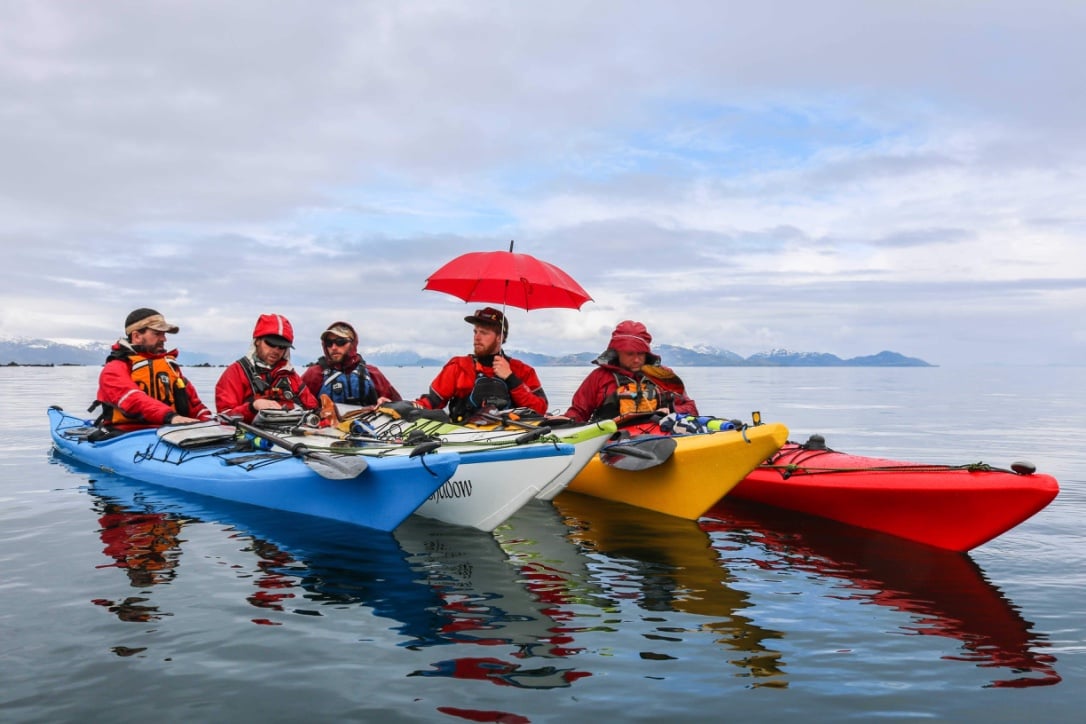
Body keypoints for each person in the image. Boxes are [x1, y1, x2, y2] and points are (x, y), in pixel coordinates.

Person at [415, 306, 548, 423]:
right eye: (475, 332)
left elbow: (540, 409)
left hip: (508, 436)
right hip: (463, 435)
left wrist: (511, 378)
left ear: (499, 338)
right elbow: (431, 402)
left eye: (484, 333)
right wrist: (411, 408)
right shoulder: (458, 366)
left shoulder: (522, 370)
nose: (477, 337)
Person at [92, 307, 212, 430]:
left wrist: (209, 423)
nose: (164, 339)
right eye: (157, 333)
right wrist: (171, 417)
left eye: (164, 334)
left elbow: (195, 406)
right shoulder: (114, 369)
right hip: (127, 434)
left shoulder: (170, 368)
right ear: (137, 336)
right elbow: (134, 400)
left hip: (169, 431)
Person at [560, 320, 698, 423]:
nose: (637, 360)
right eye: (630, 354)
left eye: (641, 354)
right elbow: (579, 412)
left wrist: (673, 411)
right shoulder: (598, 377)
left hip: (660, 437)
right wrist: (563, 421)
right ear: (617, 353)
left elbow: (690, 407)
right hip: (611, 442)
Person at [215, 313, 318, 423]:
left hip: (289, 436)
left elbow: (314, 409)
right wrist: (252, 407)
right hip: (249, 436)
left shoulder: (290, 375)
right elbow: (224, 417)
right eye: (271, 343)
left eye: (282, 346)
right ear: (257, 341)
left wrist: (323, 416)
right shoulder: (235, 372)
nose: (276, 350)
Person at [301, 321, 402, 406]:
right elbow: (297, 407)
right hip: (327, 428)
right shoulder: (313, 374)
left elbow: (399, 405)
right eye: (329, 343)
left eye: (340, 342)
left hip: (369, 426)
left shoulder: (373, 374)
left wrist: (388, 404)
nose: (334, 347)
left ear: (353, 343)